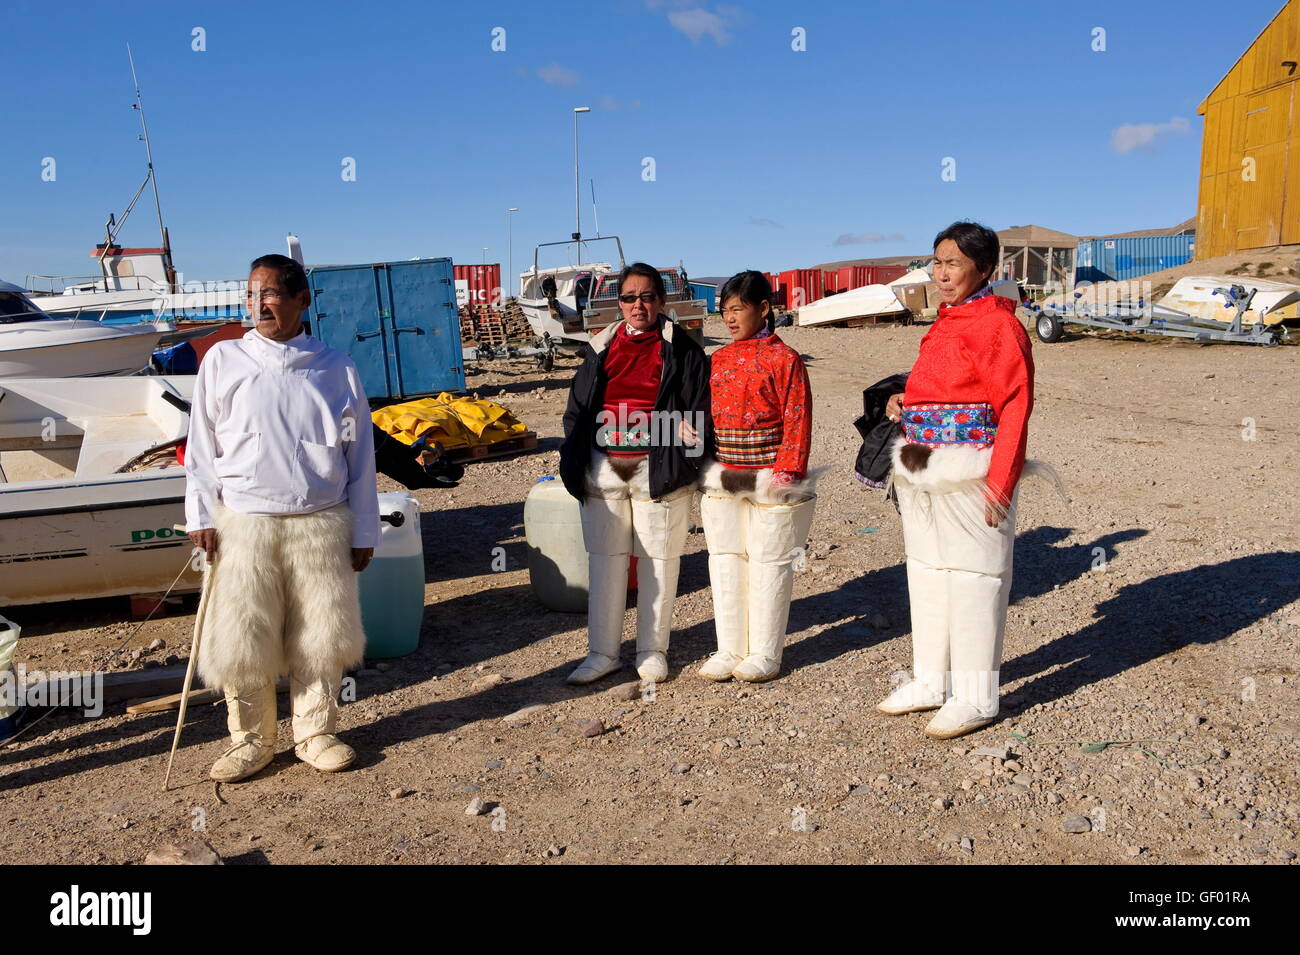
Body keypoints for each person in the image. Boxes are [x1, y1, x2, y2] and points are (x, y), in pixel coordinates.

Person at [185, 254, 379, 782]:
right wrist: (201, 515)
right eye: (252, 295)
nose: (260, 304)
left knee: (320, 634)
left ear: (301, 300)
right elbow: (201, 449)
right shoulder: (223, 360)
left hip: (320, 522)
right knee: (244, 636)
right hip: (244, 523)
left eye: (271, 293)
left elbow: (359, 456)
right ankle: (250, 740)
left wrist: (364, 529)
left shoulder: (335, 367)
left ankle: (315, 732)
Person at [879, 221, 1034, 739]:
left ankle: (975, 696)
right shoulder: (945, 321)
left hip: (972, 472)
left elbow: (1014, 406)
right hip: (923, 468)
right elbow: (941, 385)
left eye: (953, 264)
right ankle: (930, 681)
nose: (941, 274)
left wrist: (1002, 482)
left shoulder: (999, 325)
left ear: (984, 270)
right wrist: (905, 401)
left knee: (974, 579)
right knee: (927, 573)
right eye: (937, 262)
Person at [559, 262, 710, 684]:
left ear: (662, 302)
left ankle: (651, 652)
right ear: (618, 303)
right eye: (629, 297)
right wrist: (577, 452)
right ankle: (602, 653)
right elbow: (577, 409)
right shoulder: (599, 347)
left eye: (646, 297)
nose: (637, 305)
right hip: (603, 468)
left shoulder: (683, 349)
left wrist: (683, 452)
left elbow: (699, 411)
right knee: (605, 564)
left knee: (658, 563)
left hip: (656, 469)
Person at [697, 271, 815, 683]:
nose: (729, 319)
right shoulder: (718, 360)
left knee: (769, 562)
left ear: (763, 309)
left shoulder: (786, 360)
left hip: (770, 473)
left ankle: (765, 652)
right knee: (726, 561)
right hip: (723, 475)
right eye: (724, 311)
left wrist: (788, 472)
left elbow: (797, 417)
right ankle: (729, 647)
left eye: (737, 309)